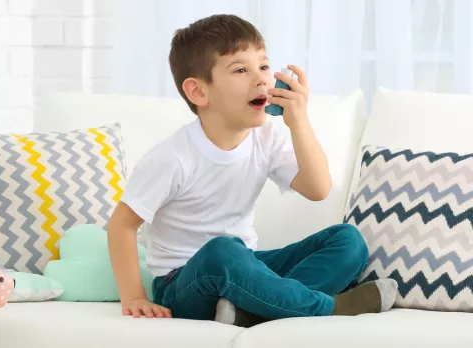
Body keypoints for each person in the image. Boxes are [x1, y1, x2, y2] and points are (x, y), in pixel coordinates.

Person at [107, 14, 397, 327]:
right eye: (241, 70)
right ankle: (326, 308)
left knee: (347, 240)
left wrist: (298, 121)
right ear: (198, 92)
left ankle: (253, 310)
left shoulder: (268, 138)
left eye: (263, 66)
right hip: (184, 284)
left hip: (245, 268)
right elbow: (121, 225)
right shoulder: (173, 157)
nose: (261, 79)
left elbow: (318, 189)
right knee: (224, 250)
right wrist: (134, 297)